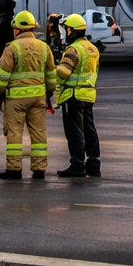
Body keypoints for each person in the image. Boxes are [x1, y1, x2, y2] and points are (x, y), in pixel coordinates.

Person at [0, 9, 57, 180]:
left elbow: (2, 77)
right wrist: (48, 94)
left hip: (15, 100)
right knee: (38, 133)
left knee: (14, 133)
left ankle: (14, 170)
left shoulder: (12, 48)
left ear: (16, 29)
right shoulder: (44, 48)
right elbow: (51, 76)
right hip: (38, 98)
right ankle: (39, 170)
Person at [54, 12, 101, 178]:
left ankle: (77, 164)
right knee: (89, 129)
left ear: (71, 30)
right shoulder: (92, 49)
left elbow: (63, 72)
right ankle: (93, 164)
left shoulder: (74, 50)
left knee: (74, 131)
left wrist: (51, 73)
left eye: (66, 29)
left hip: (72, 96)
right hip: (88, 94)